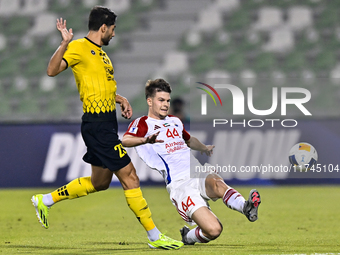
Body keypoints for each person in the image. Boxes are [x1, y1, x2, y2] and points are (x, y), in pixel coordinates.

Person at [31, 6, 183, 250]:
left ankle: (45, 200)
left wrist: (120, 99)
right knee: (130, 177)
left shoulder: (102, 55)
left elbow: (102, 87)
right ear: (103, 27)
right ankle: (155, 236)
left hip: (106, 123)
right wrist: (64, 44)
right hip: (97, 124)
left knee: (100, 182)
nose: (113, 34)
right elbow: (51, 71)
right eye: (112, 29)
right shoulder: (78, 47)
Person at [122, 78, 261, 245]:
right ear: (149, 101)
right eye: (161, 100)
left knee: (216, 182)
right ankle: (188, 237)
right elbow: (126, 140)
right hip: (180, 184)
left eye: (167, 100)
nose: (165, 104)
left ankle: (245, 207)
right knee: (214, 230)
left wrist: (204, 148)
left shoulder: (174, 121)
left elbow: (188, 140)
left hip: (196, 172)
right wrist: (145, 140)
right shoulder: (143, 123)